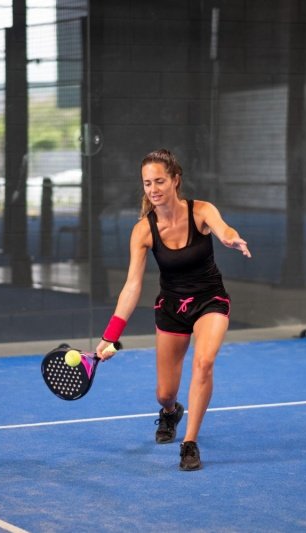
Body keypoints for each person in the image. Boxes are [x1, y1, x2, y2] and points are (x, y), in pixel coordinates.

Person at [96, 148, 251, 471]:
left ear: (175, 180)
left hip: (210, 300)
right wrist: (110, 336)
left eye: (159, 181)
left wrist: (231, 239)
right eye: (147, 183)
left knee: (204, 362)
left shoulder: (201, 211)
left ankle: (190, 443)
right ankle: (170, 412)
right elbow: (132, 286)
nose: (153, 189)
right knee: (165, 393)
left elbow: (224, 230)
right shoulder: (142, 230)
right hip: (171, 309)